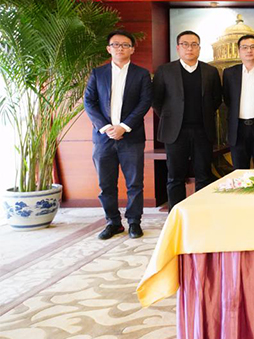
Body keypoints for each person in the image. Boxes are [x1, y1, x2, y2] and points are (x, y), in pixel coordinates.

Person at [84, 30, 152, 240]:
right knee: (106, 184)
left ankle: (134, 222)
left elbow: (144, 102)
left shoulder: (141, 74)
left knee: (134, 183)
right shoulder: (98, 73)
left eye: (125, 45)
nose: (120, 48)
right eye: (115, 44)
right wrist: (106, 127)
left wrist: (123, 126)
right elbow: (89, 102)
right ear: (108, 49)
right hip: (103, 137)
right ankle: (113, 222)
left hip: (131, 137)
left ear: (132, 49)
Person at [152, 30, 222, 209]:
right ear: (178, 48)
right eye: (185, 44)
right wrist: (171, 118)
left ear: (199, 48)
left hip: (202, 131)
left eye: (194, 44)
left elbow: (216, 99)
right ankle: (176, 215)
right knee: (175, 177)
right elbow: (156, 100)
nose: (189, 48)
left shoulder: (210, 71)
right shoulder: (165, 71)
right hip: (175, 132)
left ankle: (201, 213)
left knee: (203, 175)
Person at [222, 34, 254, 170]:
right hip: (238, 128)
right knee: (239, 170)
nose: (249, 50)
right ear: (239, 51)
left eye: (253, 47)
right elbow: (228, 99)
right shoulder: (229, 73)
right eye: (245, 47)